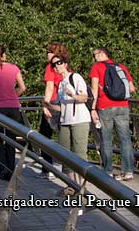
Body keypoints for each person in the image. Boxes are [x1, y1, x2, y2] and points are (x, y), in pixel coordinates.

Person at [90, 48, 136, 181]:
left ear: (102, 54)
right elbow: (131, 88)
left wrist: (92, 109)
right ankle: (128, 171)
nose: (94, 58)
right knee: (125, 139)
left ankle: (108, 171)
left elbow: (94, 90)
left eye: (95, 55)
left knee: (106, 139)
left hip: (105, 106)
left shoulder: (96, 67)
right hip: (123, 106)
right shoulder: (120, 66)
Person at [47, 54, 91, 196]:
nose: (57, 66)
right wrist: (48, 106)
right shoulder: (60, 84)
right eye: (54, 65)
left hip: (79, 120)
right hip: (65, 121)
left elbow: (84, 98)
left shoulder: (75, 77)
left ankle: (82, 189)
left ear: (65, 63)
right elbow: (62, 107)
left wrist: (72, 95)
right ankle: (72, 186)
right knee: (64, 154)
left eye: (59, 63)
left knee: (80, 154)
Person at [0, 45, 26, 181]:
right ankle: (11, 171)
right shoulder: (14, 68)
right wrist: (13, 96)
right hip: (13, 108)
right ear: (4, 55)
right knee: (11, 140)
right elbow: (22, 87)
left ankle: (1, 170)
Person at [39, 42, 70, 180]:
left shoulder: (50, 67)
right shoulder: (66, 66)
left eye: (49, 52)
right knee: (64, 136)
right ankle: (68, 169)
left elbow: (49, 87)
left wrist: (45, 105)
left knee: (44, 135)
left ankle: (47, 168)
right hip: (65, 105)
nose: (47, 54)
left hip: (52, 104)